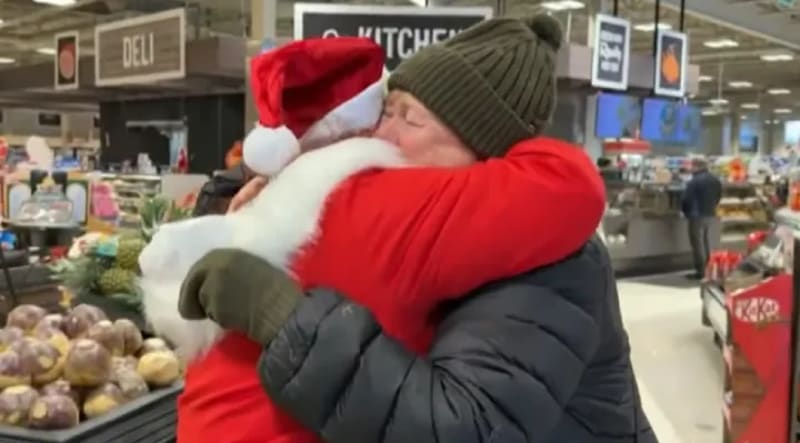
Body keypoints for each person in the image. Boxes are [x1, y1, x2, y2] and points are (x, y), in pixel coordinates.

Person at [178, 15, 656, 443]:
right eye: (388, 111)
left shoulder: (556, 262)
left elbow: (458, 426)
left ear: (484, 152)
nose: (382, 135)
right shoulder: (432, 221)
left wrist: (283, 318)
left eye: (411, 119)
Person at [682, 157, 722, 279]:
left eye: (692, 166)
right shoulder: (715, 180)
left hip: (697, 215)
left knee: (697, 243)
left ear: (696, 167)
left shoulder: (694, 181)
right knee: (706, 242)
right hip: (710, 213)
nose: (691, 168)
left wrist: (686, 212)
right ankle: (709, 269)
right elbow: (719, 195)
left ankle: (701, 272)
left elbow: (687, 199)